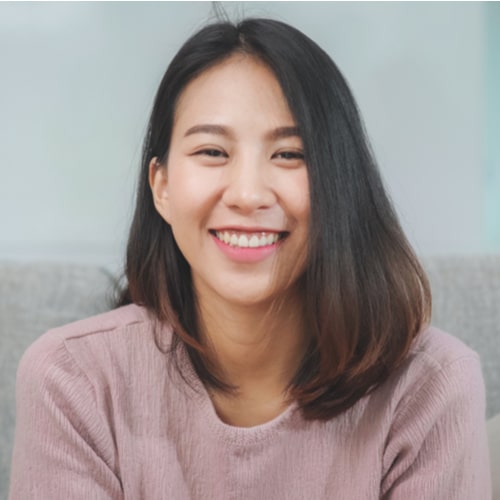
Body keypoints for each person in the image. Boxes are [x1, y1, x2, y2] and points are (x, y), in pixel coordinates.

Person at [9, 17, 491, 499]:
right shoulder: (71, 380)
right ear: (161, 186)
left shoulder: (432, 387)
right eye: (213, 151)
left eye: (289, 155)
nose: (247, 194)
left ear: (339, 186)